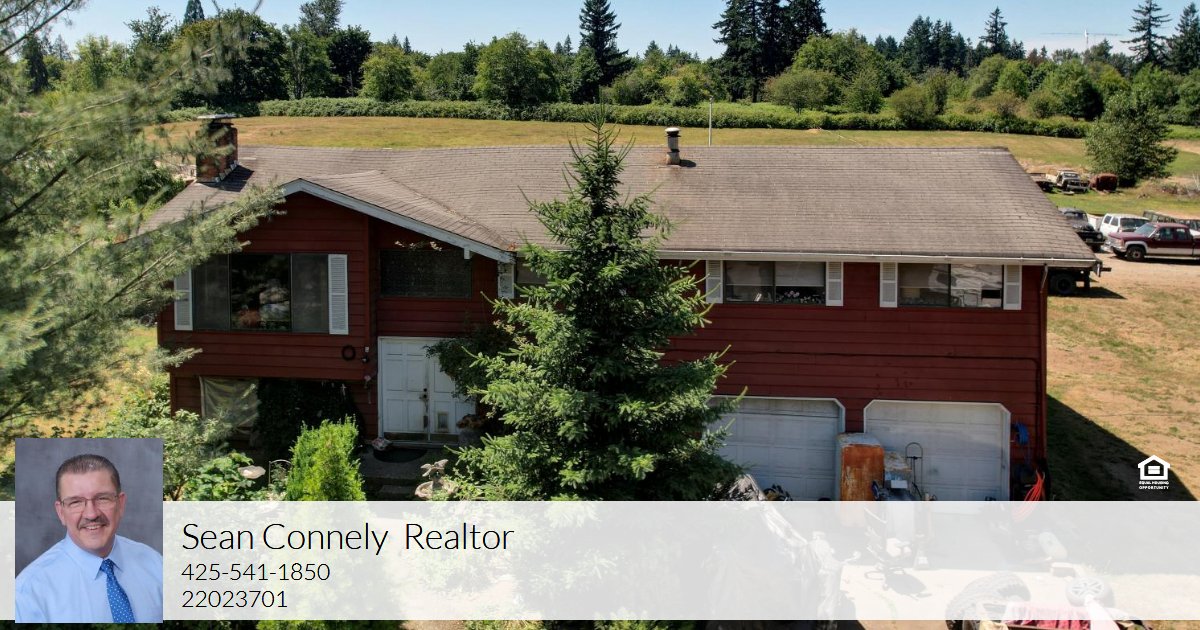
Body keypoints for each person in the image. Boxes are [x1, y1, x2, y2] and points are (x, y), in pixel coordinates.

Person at [14, 453, 163, 623]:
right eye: (75, 502)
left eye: (102, 499)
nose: (91, 514)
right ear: (61, 512)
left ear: (121, 504)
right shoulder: (28, 593)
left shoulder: (155, 564)